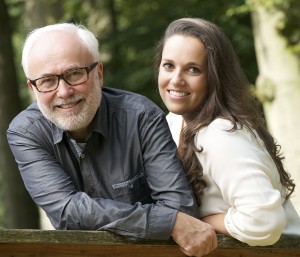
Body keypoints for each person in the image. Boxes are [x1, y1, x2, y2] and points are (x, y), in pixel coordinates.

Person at [6, 23, 217, 257]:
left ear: (98, 73)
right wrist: (167, 223)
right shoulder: (26, 132)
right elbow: (67, 210)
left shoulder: (141, 117)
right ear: (33, 89)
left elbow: (181, 210)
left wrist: (170, 220)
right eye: (47, 81)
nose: (64, 92)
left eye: (75, 74)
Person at [156, 17, 300, 246]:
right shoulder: (174, 122)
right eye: (169, 66)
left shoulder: (222, 134)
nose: (176, 80)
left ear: (214, 77)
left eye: (193, 69)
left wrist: (204, 221)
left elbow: (265, 222)